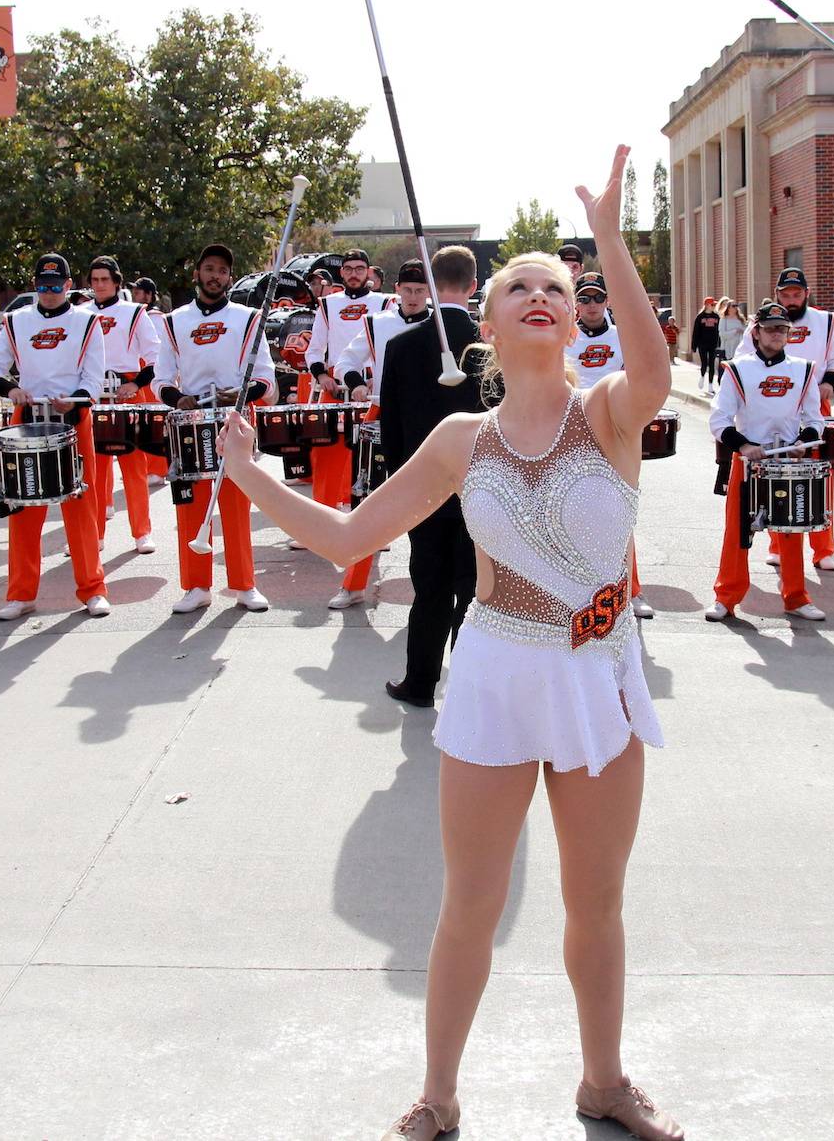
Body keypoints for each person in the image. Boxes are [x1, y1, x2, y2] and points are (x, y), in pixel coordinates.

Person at [219, 149, 680, 1141]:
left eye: (557, 286)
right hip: (496, 676)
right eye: (519, 285)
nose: (540, 296)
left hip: (598, 674)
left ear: (575, 311)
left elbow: (654, 369)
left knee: (594, 903)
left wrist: (606, 236)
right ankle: (438, 1093)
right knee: (468, 901)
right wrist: (250, 475)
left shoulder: (609, 414)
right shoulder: (458, 440)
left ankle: (603, 1079)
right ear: (488, 319)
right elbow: (348, 536)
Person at [365, 245, 493, 706]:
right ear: (473, 286)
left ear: (433, 287)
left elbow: (391, 427)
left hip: (423, 490)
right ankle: (468, 686)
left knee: (429, 590)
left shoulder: (399, 346)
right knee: (475, 591)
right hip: (484, 490)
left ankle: (420, 682)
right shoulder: (493, 350)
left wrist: (399, 488)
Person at [0, 253, 112, 620]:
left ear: (68, 286)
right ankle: (21, 593)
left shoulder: (87, 322)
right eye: (42, 284)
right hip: (28, 418)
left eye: (55, 285)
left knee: (81, 505)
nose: (48, 292)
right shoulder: (17, 321)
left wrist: (77, 401)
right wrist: (9, 388)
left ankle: (92, 589)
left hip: (73, 417)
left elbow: (93, 376)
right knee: (23, 506)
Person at [152, 243, 276, 615]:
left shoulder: (249, 318)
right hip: (191, 422)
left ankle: (244, 585)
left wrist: (239, 393)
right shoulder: (174, 321)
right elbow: (160, 379)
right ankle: (196, 586)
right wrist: (178, 399)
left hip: (233, 418)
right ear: (197, 274)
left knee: (236, 503)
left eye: (222, 271)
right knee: (191, 505)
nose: (215, 276)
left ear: (229, 278)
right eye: (209, 268)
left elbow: (267, 380)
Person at [705, 301, 826, 621]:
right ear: (756, 332)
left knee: (790, 531)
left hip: (787, 460)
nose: (777, 334)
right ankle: (726, 597)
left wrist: (803, 441)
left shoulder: (803, 369)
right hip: (748, 462)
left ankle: (797, 598)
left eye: (782, 329)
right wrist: (743, 446)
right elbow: (718, 420)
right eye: (770, 328)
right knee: (737, 533)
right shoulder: (737, 368)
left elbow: (815, 418)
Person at [329, 259, 436, 609]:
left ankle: (432, 589)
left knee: (430, 508)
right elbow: (345, 361)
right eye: (408, 290)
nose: (414, 297)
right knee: (367, 501)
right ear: (397, 290)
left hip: (427, 424)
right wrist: (357, 384)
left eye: (421, 291)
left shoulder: (440, 324)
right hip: (381, 419)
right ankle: (354, 584)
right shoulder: (377, 323)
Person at [734, 267, 834, 572]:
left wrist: (830, 381)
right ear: (777, 296)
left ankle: (823, 548)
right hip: (775, 404)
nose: (791, 300)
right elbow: (741, 360)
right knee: (773, 474)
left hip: (814, 408)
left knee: (819, 478)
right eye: (785, 295)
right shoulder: (760, 325)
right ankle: (777, 543)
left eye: (796, 295)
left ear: (807, 294)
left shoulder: (825, 322)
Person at [85, 256, 164, 556]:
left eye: (105, 279)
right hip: (93, 392)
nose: (100, 285)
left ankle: (142, 532)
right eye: (95, 280)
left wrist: (137, 383)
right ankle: (95, 533)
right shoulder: (80, 314)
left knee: (134, 465)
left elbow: (155, 354)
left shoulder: (134, 313)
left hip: (128, 390)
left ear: (117, 282)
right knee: (94, 467)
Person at [304, 249, 391, 514]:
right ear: (341, 272)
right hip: (336, 387)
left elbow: (393, 345)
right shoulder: (328, 304)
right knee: (327, 455)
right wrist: (320, 376)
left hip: (371, 389)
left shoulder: (386, 303)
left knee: (370, 456)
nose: (354, 273)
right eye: (349, 269)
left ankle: (372, 525)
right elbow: (314, 349)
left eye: (359, 269)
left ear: (368, 272)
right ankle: (323, 519)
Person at [690, 299, 722, 389]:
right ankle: (702, 376)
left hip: (713, 344)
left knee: (712, 363)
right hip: (702, 344)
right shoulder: (700, 317)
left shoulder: (716, 316)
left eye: (714, 305)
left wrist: (719, 343)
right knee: (704, 363)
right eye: (712, 304)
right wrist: (694, 346)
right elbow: (696, 332)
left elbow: (719, 331)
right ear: (707, 305)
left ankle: (711, 385)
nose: (713, 306)